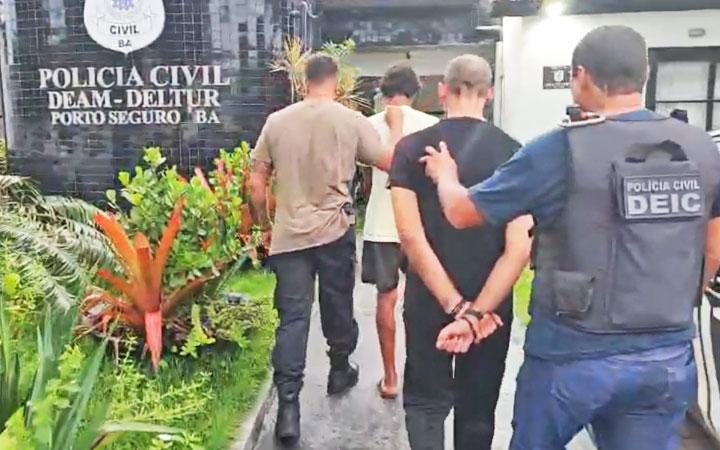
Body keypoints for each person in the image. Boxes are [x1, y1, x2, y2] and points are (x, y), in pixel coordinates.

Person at [424, 26, 720, 450]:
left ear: (580, 75)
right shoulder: (701, 149)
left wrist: (446, 175)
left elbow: (461, 212)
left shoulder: (560, 149)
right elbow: (713, 249)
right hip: (664, 355)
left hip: (571, 353)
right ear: (644, 75)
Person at [249, 54, 398, 445]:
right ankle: (339, 369)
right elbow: (389, 161)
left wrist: (263, 227)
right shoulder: (350, 120)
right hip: (334, 233)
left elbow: (256, 183)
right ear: (336, 81)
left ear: (303, 82)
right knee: (337, 304)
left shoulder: (276, 122)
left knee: (293, 319)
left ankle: (288, 409)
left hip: (288, 238)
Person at [389, 54, 533, 450]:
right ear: (490, 93)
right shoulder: (514, 153)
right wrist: (475, 313)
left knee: (425, 403)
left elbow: (411, 237)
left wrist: (454, 305)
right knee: (478, 410)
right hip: (490, 308)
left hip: (428, 299)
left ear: (442, 91)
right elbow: (519, 248)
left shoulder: (411, 149)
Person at [361, 64, 438, 399]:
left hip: (382, 225)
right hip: (420, 224)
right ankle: (423, 375)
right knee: (424, 300)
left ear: (383, 91)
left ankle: (391, 377)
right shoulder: (432, 126)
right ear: (415, 92)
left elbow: (373, 172)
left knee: (386, 298)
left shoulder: (368, 126)